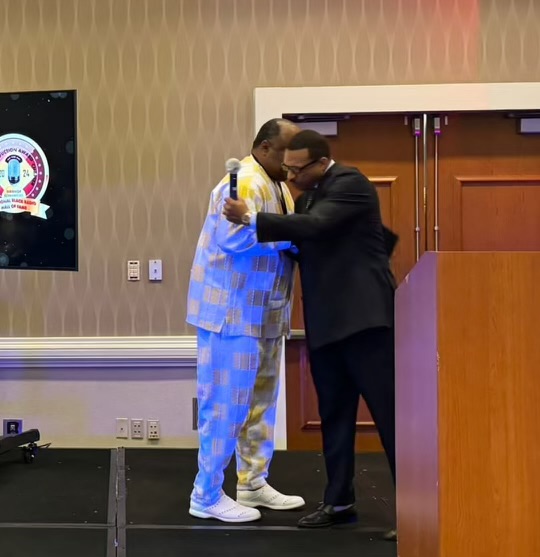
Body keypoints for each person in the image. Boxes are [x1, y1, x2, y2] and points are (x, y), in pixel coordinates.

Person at [223, 129, 398, 539]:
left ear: (321, 163)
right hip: (326, 325)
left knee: (391, 419)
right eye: (286, 167)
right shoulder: (307, 196)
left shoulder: (349, 183)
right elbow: (305, 238)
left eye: (297, 169)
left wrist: (251, 217)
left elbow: (316, 226)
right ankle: (338, 502)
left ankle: (417, 509)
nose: (289, 175)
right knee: (334, 417)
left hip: (366, 324)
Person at [186, 118, 305, 523]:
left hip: (264, 314)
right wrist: (296, 235)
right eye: (288, 152)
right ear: (267, 147)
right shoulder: (240, 182)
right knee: (226, 405)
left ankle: (252, 482)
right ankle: (205, 494)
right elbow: (232, 239)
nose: (293, 162)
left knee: (260, 405)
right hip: (230, 314)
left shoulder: (277, 185)